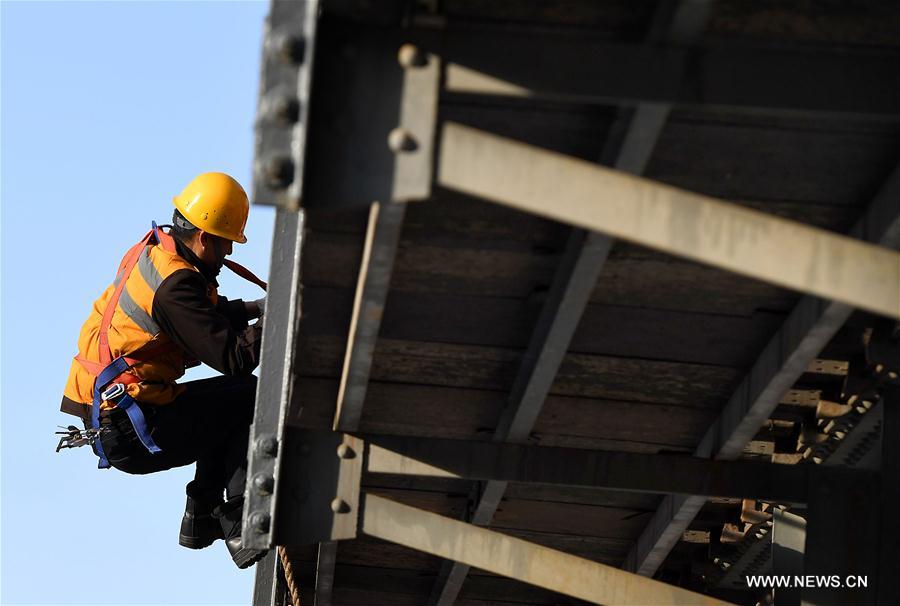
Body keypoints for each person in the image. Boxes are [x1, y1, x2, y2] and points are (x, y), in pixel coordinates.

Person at [60, 172, 269, 568]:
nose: (227, 255)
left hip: (120, 417)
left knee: (223, 403)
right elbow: (234, 357)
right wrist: (281, 320)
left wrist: (257, 310)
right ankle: (240, 524)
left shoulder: (158, 256)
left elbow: (199, 316)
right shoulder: (176, 286)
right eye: (226, 244)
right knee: (247, 396)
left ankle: (202, 518)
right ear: (205, 237)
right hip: (133, 429)